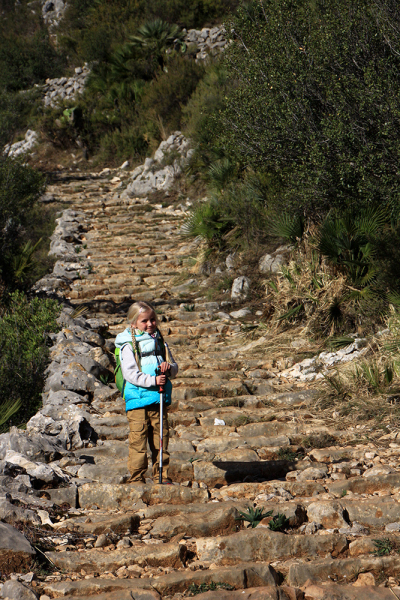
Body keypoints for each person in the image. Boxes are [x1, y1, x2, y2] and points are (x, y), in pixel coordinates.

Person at [115, 301, 178, 483]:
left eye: (152, 320)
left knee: (161, 439)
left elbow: (174, 368)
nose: (150, 324)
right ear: (133, 323)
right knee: (138, 441)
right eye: (144, 321)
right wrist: (153, 380)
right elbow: (130, 374)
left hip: (158, 399)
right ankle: (137, 478)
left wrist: (169, 368)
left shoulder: (160, 342)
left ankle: (162, 475)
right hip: (137, 401)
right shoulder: (128, 345)